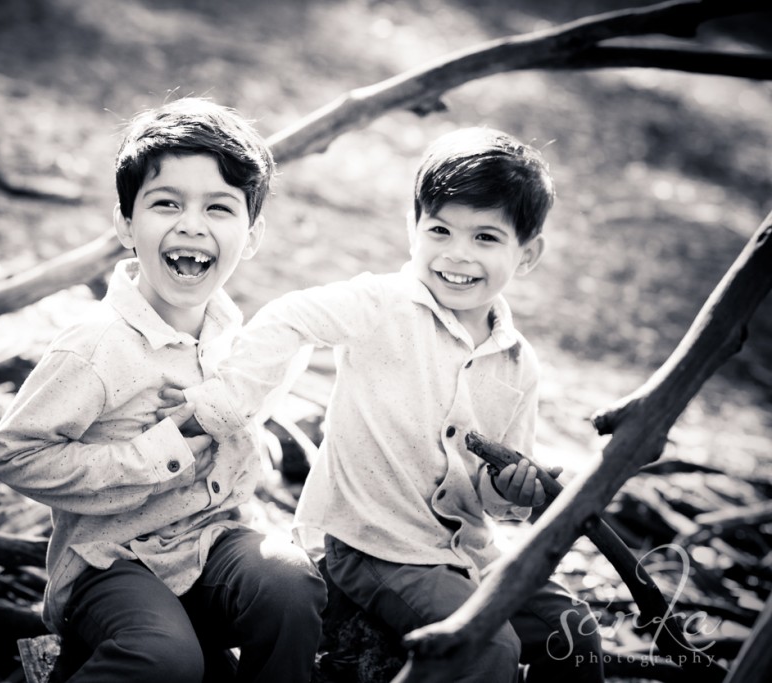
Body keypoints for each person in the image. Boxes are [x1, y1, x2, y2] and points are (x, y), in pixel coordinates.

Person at [164, 127, 605, 682]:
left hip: (468, 553)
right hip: (374, 546)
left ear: (528, 253)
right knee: (484, 649)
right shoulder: (384, 306)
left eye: (486, 238)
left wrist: (512, 492)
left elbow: (496, 501)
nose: (457, 255)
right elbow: (289, 315)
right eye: (439, 230)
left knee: (575, 632)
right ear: (412, 227)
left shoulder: (518, 362)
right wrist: (228, 399)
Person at [0, 97, 326, 683]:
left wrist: (247, 443)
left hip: (209, 545)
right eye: (166, 203)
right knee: (165, 658)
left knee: (291, 587)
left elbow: (241, 423)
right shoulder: (96, 346)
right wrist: (154, 453)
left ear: (251, 235)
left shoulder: (231, 336)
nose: (192, 224)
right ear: (124, 224)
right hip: (108, 565)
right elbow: (15, 456)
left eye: (219, 208)